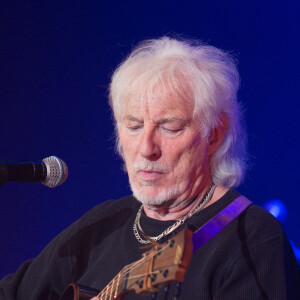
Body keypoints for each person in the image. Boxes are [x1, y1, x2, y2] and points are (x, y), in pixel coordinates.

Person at [1, 36, 299, 300]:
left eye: (169, 127)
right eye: (133, 126)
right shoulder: (105, 223)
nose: (146, 148)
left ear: (214, 134)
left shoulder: (252, 238)